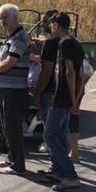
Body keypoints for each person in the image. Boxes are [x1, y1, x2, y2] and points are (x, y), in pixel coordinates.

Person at [0, 3, 33, 175]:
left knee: (13, 126)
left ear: (15, 17)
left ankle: (18, 165)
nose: (2, 21)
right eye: (1, 18)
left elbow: (10, 62)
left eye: (5, 18)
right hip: (6, 87)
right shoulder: (10, 38)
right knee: (7, 125)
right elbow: (1, 59)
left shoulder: (20, 38)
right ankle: (11, 158)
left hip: (15, 89)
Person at [42, 12, 84, 192]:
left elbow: (70, 72)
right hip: (67, 97)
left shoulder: (64, 43)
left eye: (51, 24)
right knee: (59, 134)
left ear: (56, 26)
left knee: (50, 136)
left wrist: (73, 100)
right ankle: (59, 171)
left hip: (62, 97)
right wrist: (77, 96)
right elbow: (82, 73)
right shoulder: (76, 42)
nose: (50, 28)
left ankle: (71, 176)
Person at [32, 9, 59, 154]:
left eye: (44, 21)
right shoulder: (66, 40)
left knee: (49, 117)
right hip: (62, 88)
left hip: (50, 87)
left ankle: (50, 145)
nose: (42, 24)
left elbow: (46, 71)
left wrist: (38, 93)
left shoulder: (51, 43)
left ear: (53, 23)